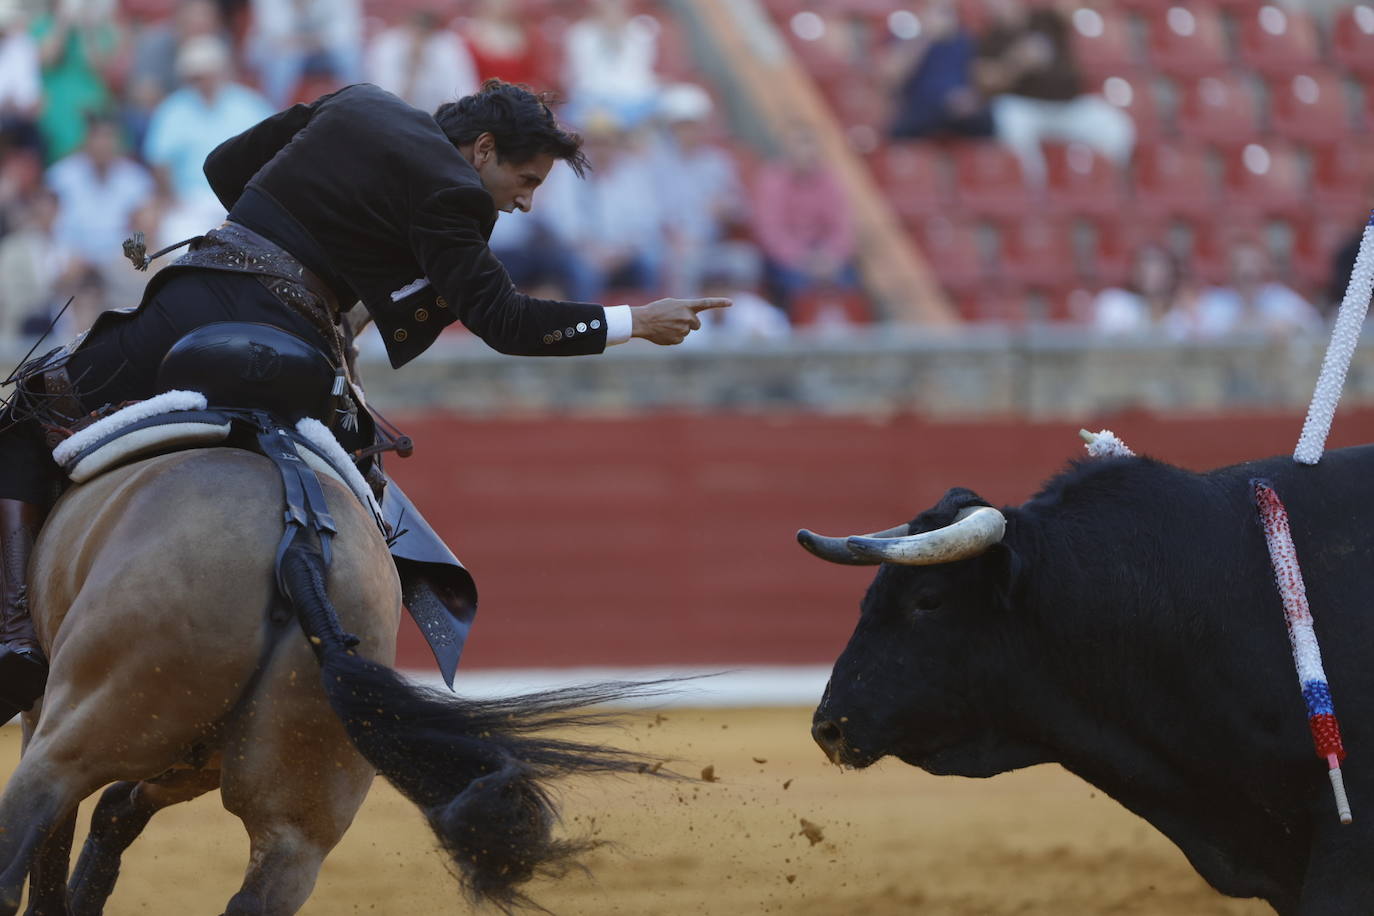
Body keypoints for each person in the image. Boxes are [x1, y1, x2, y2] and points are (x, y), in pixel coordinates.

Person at [0, 79, 728, 711]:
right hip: (299, 349)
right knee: (360, 485)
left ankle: (13, 635)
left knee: (35, 409)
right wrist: (636, 321)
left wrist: (286, 229)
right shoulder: (454, 195)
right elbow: (506, 322)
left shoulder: (357, 103)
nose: (527, 204)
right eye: (527, 181)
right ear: (481, 150)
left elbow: (224, 166)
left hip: (195, 303)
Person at [974, 0, 1133, 186]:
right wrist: (1016, 63)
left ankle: (1113, 186)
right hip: (1027, 108)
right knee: (1006, 116)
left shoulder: (1045, 19)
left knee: (1115, 126)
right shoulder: (990, 38)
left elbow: (1080, 7)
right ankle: (1032, 192)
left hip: (1070, 105)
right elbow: (984, 81)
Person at [752, 123, 860, 313]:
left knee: (849, 285)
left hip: (825, 256)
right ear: (787, 149)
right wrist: (803, 260)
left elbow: (842, 228)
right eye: (799, 144)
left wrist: (830, 257)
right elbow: (771, 233)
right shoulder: (772, 179)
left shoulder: (830, 179)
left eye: (809, 144)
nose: (805, 151)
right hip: (788, 258)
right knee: (797, 285)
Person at [46, 112, 155, 268]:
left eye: (108, 137)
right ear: (86, 139)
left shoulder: (136, 180)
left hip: (118, 262)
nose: (103, 144)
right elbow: (47, 225)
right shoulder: (60, 177)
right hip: (70, 257)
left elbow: (143, 231)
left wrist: (130, 259)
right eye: (97, 137)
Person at [884, 0, 993, 140]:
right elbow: (891, 76)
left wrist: (970, 98)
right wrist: (925, 37)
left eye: (949, 12)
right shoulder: (908, 35)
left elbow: (975, 79)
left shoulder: (964, 40)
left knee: (987, 120)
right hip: (920, 108)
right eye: (941, 11)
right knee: (900, 130)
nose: (946, 18)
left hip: (958, 109)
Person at [365, 8, 478, 114]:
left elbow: (462, 93)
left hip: (440, 120)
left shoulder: (450, 46)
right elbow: (385, 100)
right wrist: (413, 68)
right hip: (395, 117)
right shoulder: (386, 45)